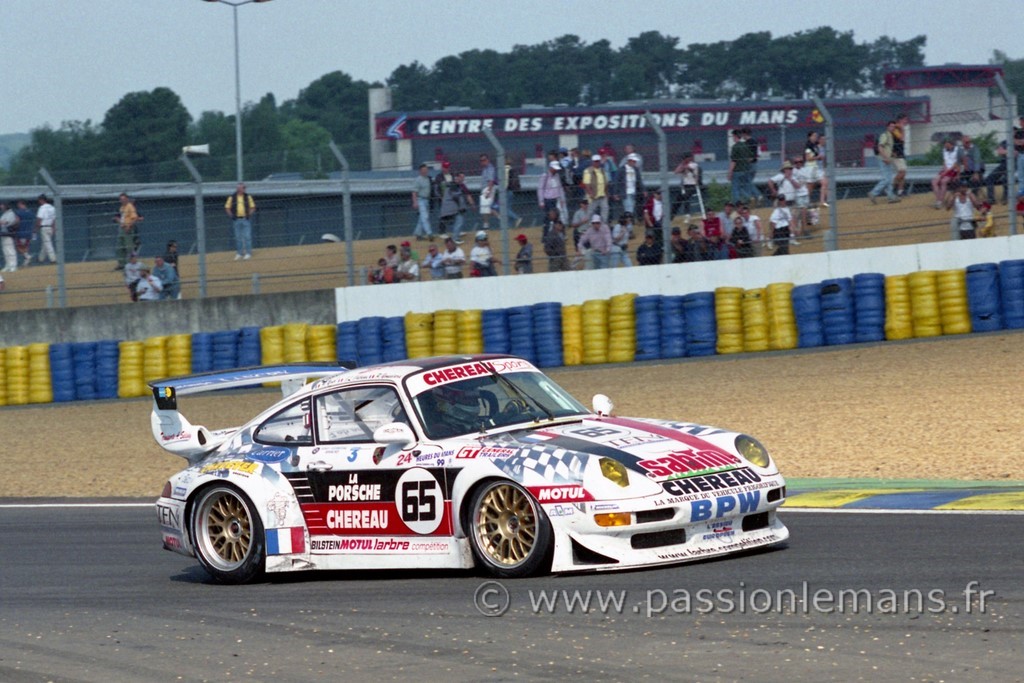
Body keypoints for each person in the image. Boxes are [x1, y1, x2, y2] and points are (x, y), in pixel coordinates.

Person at [437, 171, 474, 243]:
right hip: (452, 208)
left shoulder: (459, 185)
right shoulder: (453, 185)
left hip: (453, 208)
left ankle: (455, 235)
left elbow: (467, 195)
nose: (462, 178)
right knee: (458, 221)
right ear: (457, 177)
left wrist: (470, 204)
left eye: (463, 177)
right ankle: (454, 237)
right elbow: (456, 197)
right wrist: (461, 207)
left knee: (456, 221)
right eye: (461, 177)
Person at [868, 121, 900, 204]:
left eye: (894, 127)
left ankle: (891, 196)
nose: (893, 128)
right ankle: (873, 193)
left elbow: (886, 148)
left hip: (887, 159)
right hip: (883, 159)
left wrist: (892, 154)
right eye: (891, 126)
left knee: (889, 178)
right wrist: (885, 158)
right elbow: (880, 147)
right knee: (886, 179)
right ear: (887, 127)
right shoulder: (885, 135)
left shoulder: (890, 136)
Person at [224, 182, 255, 260]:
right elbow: (227, 207)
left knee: (247, 237)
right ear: (238, 189)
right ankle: (239, 253)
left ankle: (248, 253)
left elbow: (253, 207)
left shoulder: (248, 197)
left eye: (244, 188)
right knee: (238, 237)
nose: (244, 189)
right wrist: (232, 216)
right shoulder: (232, 197)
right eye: (242, 188)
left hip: (245, 219)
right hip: (236, 219)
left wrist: (249, 214)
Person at [932, 138, 963, 209]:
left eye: (947, 144)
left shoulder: (957, 150)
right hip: (945, 169)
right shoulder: (944, 150)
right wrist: (944, 169)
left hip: (953, 170)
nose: (945, 146)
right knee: (934, 182)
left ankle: (940, 201)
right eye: (945, 145)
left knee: (943, 181)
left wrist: (946, 172)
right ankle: (938, 199)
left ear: (951, 144)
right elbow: (945, 161)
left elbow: (956, 164)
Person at [728, 129, 754, 204]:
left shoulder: (735, 147)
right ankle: (749, 197)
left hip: (737, 171)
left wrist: (730, 172)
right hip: (746, 170)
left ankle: (737, 204)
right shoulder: (745, 145)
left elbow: (733, 161)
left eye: (733, 136)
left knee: (735, 188)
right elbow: (751, 157)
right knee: (743, 187)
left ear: (735, 136)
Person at [114, 192, 140, 270]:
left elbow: (135, 218)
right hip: (122, 228)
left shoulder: (130, 207)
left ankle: (132, 264)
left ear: (127, 199)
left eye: (124, 199)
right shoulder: (122, 208)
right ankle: (122, 264)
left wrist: (129, 226)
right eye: (121, 199)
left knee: (129, 248)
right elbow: (121, 217)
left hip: (128, 228)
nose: (122, 201)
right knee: (119, 247)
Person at [581, 154, 610, 223]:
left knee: (605, 212)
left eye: (598, 161)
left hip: (602, 195)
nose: (597, 163)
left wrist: (606, 193)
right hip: (593, 196)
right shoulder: (588, 171)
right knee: (589, 213)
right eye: (595, 161)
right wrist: (590, 194)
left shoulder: (602, 170)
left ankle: (603, 227)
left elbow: (606, 182)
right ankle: (588, 228)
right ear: (592, 162)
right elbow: (587, 184)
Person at [803, 131, 829, 207]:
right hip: (810, 167)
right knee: (810, 186)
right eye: (814, 136)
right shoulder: (808, 146)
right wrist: (818, 157)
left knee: (824, 182)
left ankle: (823, 201)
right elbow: (808, 158)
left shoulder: (815, 146)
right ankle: (805, 203)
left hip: (817, 168)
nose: (815, 137)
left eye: (816, 136)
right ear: (810, 137)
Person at [537, 160, 567, 225]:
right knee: (549, 217)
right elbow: (540, 189)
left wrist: (562, 198)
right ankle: (547, 230)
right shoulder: (545, 176)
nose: (556, 170)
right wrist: (541, 201)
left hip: (556, 198)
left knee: (556, 216)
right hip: (548, 199)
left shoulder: (557, 176)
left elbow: (560, 187)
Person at [673, 152, 701, 220]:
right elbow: (676, 171)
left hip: (692, 185)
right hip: (685, 186)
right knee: (677, 200)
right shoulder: (684, 164)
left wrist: (683, 165)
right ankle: (672, 215)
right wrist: (682, 164)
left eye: (685, 158)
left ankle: (687, 214)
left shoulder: (694, 164)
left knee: (686, 197)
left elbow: (687, 167)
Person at [411, 163, 433, 240]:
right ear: (420, 171)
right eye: (423, 170)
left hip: (427, 200)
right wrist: (415, 202)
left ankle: (418, 234)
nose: (425, 171)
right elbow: (414, 192)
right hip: (420, 199)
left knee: (422, 218)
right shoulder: (418, 180)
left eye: (426, 170)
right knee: (425, 217)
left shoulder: (428, 179)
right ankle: (429, 233)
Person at [34, 194, 57, 264]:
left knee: (48, 244)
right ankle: (40, 258)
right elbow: (54, 219)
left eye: (39, 200)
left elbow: (39, 219)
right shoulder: (52, 208)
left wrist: (36, 228)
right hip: (50, 226)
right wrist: (53, 228)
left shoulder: (42, 208)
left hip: (44, 227)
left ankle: (53, 259)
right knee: (45, 244)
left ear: (42, 200)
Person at [478, 154, 498, 230]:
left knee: (486, 207)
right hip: (485, 188)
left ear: (488, 160)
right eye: (481, 160)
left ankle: (487, 224)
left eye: (484, 160)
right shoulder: (485, 168)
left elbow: (491, 181)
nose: (483, 162)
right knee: (485, 208)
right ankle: (486, 224)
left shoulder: (490, 168)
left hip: (488, 188)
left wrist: (488, 191)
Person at [892, 113, 910, 197]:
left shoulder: (897, 128)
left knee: (903, 172)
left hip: (900, 152)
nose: (906, 121)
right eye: (905, 120)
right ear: (900, 120)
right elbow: (901, 139)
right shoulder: (896, 128)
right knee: (902, 172)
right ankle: (890, 186)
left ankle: (900, 191)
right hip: (896, 153)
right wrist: (903, 130)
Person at [14, 200, 34, 268]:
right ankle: (26, 263)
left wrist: (14, 228)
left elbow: (17, 222)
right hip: (29, 232)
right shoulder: (30, 212)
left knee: (19, 247)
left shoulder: (19, 212)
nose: (18, 206)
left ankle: (27, 257)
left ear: (21, 204)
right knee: (25, 247)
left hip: (21, 232)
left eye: (19, 204)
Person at [0, 200, 20, 272]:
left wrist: (2, 222)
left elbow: (7, 222)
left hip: (9, 233)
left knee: (10, 250)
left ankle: (13, 265)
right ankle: (8, 265)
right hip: (3, 233)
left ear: (6, 206)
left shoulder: (11, 213)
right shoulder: (4, 214)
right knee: (5, 250)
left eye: (2, 205)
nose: (1, 206)